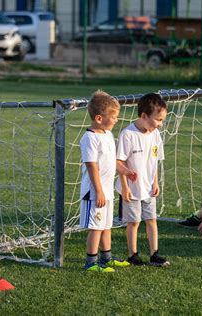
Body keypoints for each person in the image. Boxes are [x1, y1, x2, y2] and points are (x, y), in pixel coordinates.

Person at [116, 93, 170, 267]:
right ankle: (133, 256)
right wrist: (125, 187)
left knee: (151, 220)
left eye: (162, 120)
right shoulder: (128, 134)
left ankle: (155, 254)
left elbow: (154, 162)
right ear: (144, 116)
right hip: (132, 189)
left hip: (148, 188)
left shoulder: (155, 135)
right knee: (134, 222)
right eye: (158, 119)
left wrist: (155, 182)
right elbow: (119, 162)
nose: (160, 124)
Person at [79, 90, 130, 273]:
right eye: (114, 117)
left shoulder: (107, 134)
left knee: (106, 226)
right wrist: (99, 191)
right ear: (99, 118)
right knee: (96, 227)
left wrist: (125, 171)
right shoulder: (89, 138)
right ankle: (91, 263)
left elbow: (112, 160)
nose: (116, 120)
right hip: (94, 193)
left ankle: (106, 259)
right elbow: (92, 167)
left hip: (106, 191)